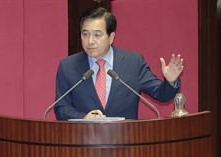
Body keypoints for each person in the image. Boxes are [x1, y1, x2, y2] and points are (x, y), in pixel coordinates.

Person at [54, 7, 184, 120]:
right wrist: (84, 118)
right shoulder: (68, 66)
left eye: (97, 35)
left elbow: (161, 94)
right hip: (84, 144)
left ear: (111, 37)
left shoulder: (133, 63)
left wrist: (170, 81)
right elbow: (61, 108)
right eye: (85, 34)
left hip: (125, 143)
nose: (90, 41)